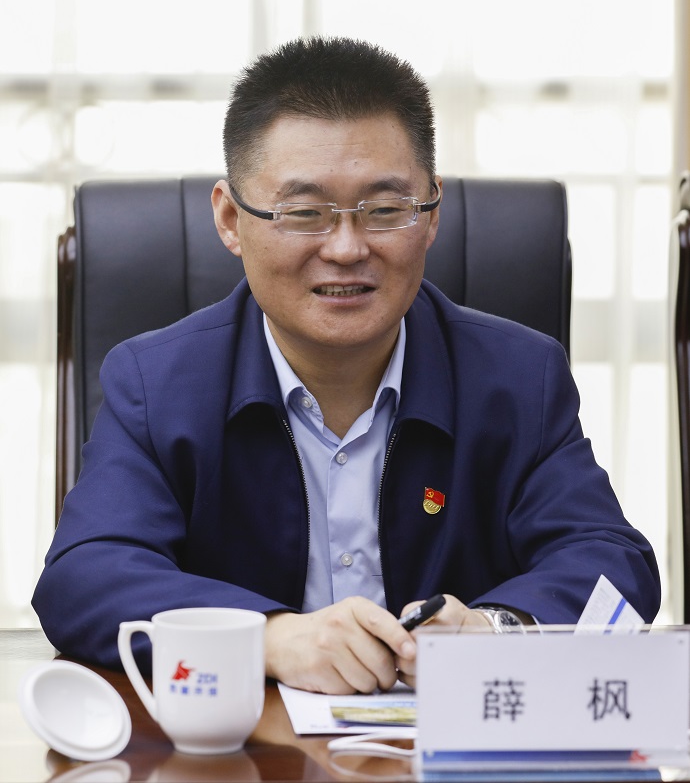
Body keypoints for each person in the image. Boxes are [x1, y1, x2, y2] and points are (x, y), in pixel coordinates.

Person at [33, 36, 661, 695]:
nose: (345, 248)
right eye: (304, 213)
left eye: (384, 210)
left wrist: (493, 630)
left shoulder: (520, 377)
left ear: (431, 215)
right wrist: (270, 638)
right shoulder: (155, 384)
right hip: (245, 741)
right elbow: (85, 577)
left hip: (449, 740)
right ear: (230, 219)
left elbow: (614, 566)